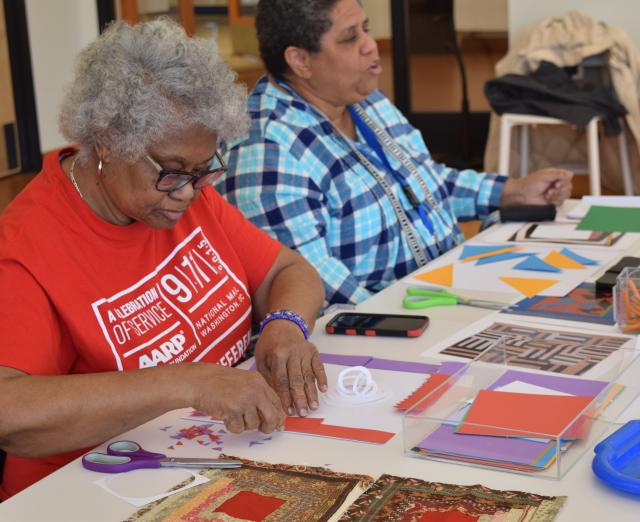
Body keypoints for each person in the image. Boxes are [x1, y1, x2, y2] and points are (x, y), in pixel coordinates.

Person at [0, 18, 327, 499]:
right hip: (89, 491)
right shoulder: (26, 247)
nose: (191, 192)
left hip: (209, 462)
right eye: (173, 171)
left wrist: (283, 325)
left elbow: (289, 270)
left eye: (204, 169)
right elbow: (10, 411)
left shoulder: (181, 195)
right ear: (108, 140)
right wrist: (187, 384)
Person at [216, 0, 573, 306]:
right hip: (388, 331)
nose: (371, 45)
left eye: (366, 29)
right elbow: (315, 289)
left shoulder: (362, 99)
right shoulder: (267, 152)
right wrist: (433, 313)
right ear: (300, 61)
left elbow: (419, 182)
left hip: (445, 291)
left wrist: (510, 191)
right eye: (350, 37)